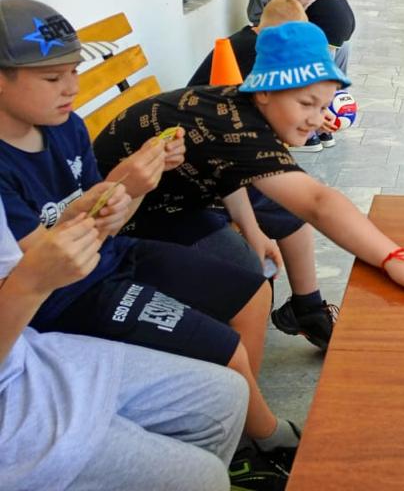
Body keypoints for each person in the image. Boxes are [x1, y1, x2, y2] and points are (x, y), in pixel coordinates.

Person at [0, 0, 299, 472]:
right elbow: (48, 266)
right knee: (228, 354)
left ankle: (240, 428)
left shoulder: (65, 126)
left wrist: (137, 183)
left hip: (111, 255)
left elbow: (108, 223)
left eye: (75, 71)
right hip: (63, 298)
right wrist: (123, 184)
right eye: (53, 78)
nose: (72, 88)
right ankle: (261, 442)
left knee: (254, 294)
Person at [94, 21, 404, 348]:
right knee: (249, 288)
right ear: (264, 91)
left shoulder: (244, 110)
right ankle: (231, 372)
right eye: (306, 103)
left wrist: (251, 228)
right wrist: (396, 258)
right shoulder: (239, 128)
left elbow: (226, 168)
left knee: (260, 249)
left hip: (182, 194)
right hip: (131, 215)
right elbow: (318, 202)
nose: (316, 119)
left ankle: (300, 310)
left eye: (323, 106)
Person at [0, 199, 250, 490]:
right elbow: (33, 280)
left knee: (225, 393)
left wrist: (80, 216)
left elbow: (20, 268)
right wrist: (31, 284)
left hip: (27, 350)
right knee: (204, 478)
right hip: (28, 368)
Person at [187, 0, 349, 350]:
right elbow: (236, 143)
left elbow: (259, 122)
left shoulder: (257, 46)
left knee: (293, 208)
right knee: (294, 207)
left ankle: (307, 306)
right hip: (205, 176)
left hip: (225, 162)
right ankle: (306, 309)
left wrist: (310, 114)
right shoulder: (252, 54)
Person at [234, 0, 355, 151]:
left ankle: (308, 136)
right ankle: (324, 132)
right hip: (342, 14)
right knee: (327, 80)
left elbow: (287, 7)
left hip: (324, 18)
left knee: (308, 80)